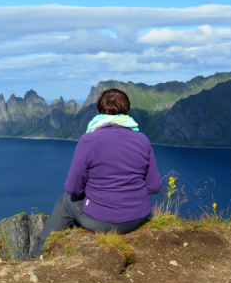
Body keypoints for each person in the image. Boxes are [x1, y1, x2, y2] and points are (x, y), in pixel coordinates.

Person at [30, 88, 162, 258]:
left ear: (98, 112)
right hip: (138, 218)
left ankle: (37, 254)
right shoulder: (142, 139)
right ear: (127, 112)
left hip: (102, 221)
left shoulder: (88, 140)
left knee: (65, 200)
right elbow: (154, 186)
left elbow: (73, 188)